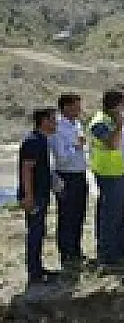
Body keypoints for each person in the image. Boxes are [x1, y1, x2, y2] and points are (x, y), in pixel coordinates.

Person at [88, 90, 124, 269]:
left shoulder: (115, 120)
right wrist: (120, 126)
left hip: (122, 172)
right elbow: (111, 143)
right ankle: (107, 253)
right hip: (108, 173)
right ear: (114, 105)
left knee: (122, 214)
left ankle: (120, 248)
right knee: (110, 215)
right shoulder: (99, 122)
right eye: (122, 104)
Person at [19, 108, 61, 284]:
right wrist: (28, 195)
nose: (56, 123)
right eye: (53, 120)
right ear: (43, 121)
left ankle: (38, 267)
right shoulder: (33, 142)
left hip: (41, 193)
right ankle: (34, 273)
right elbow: (27, 169)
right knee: (35, 232)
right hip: (34, 195)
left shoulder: (43, 140)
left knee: (39, 231)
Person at [49, 93, 89, 272]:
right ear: (66, 107)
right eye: (75, 106)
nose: (79, 110)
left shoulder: (77, 124)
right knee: (66, 216)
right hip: (66, 175)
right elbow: (61, 157)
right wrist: (76, 146)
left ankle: (76, 250)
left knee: (79, 214)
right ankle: (66, 254)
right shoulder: (58, 128)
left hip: (80, 173)